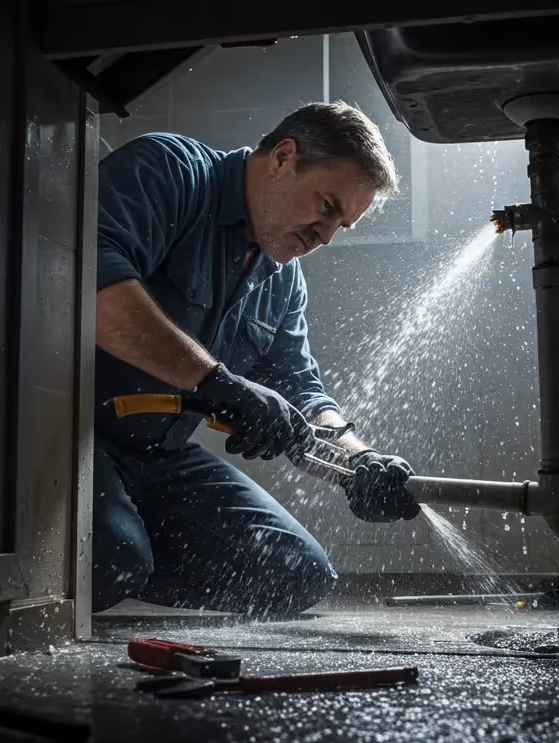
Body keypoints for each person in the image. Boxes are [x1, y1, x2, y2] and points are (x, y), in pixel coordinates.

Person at [93, 102, 420, 617]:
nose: (326, 235)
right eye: (327, 206)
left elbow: (300, 389)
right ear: (283, 158)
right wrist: (221, 385)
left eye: (342, 224)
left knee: (296, 576)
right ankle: (110, 559)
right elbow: (89, 287)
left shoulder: (282, 280)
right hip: (78, 440)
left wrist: (357, 463)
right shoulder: (171, 172)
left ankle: (118, 555)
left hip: (160, 457)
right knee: (112, 557)